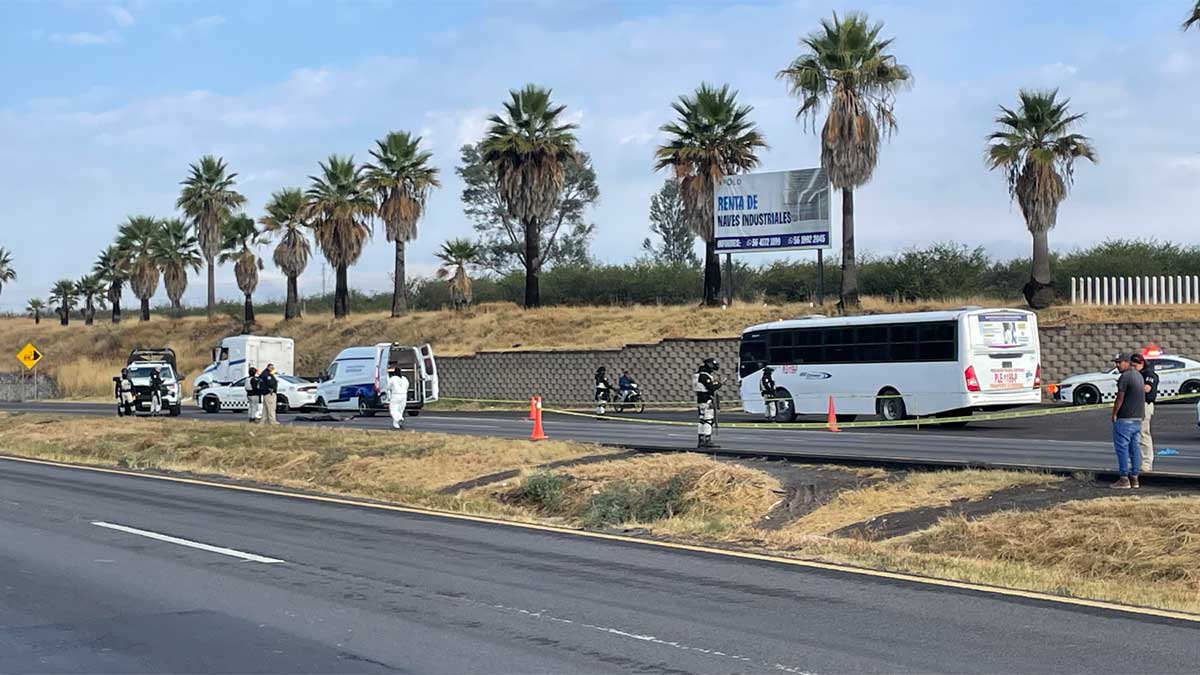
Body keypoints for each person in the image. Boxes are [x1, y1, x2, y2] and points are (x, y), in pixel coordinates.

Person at [1110, 353, 1145, 489]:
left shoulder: (1125, 377)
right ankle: (1135, 478)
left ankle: (1124, 478)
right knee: (1135, 449)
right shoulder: (1138, 375)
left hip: (1125, 418)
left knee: (1122, 449)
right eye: (1116, 363)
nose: (1117, 365)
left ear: (1127, 362)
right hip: (1137, 418)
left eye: (1119, 363)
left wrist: (1114, 413)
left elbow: (1120, 398)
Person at [1131, 354, 1159, 473]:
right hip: (1135, 405)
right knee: (1134, 435)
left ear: (1141, 363)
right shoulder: (1136, 374)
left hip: (1144, 405)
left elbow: (1147, 388)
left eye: (1134, 365)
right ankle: (1137, 462)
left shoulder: (1148, 374)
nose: (1133, 368)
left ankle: (1146, 463)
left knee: (1143, 434)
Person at [694, 358, 721, 448]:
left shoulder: (697, 375)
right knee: (708, 420)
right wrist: (718, 384)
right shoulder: (704, 376)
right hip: (707, 399)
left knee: (702, 420)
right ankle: (707, 440)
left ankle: (701, 439)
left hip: (700, 399)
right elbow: (711, 388)